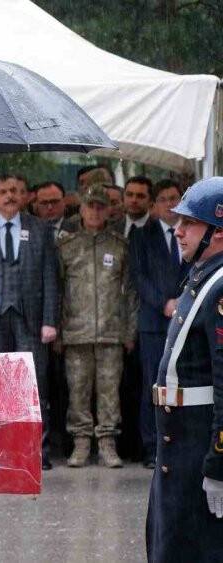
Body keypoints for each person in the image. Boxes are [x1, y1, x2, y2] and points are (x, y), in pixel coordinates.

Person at [145, 177, 223, 562]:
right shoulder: (202, 276)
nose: (178, 231)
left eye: (190, 223)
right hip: (176, 445)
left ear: (219, 232)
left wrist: (219, 464)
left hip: (196, 446)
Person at [0, 170, 60, 469]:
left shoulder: (40, 229)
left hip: (30, 318)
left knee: (34, 382)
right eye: (3, 191)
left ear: (25, 196)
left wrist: (50, 320)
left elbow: (51, 278)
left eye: (16, 190)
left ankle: (36, 452)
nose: (10, 196)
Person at [57, 185, 137, 468]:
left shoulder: (119, 246)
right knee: (77, 389)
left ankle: (106, 442)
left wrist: (129, 331)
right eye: (90, 206)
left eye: (100, 207)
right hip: (76, 331)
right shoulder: (66, 246)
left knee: (109, 391)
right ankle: (80, 442)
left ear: (108, 210)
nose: (94, 211)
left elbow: (130, 293)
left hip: (110, 330)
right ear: (81, 209)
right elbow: (58, 290)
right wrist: (58, 330)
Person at [131, 180, 189, 468]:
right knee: (152, 384)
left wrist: (182, 301)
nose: (169, 203)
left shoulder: (190, 233)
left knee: (181, 382)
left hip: (185, 319)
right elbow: (139, 278)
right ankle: (152, 447)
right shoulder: (141, 236)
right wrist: (164, 302)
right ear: (154, 204)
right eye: (163, 199)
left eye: (174, 198)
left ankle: (178, 442)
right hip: (153, 322)